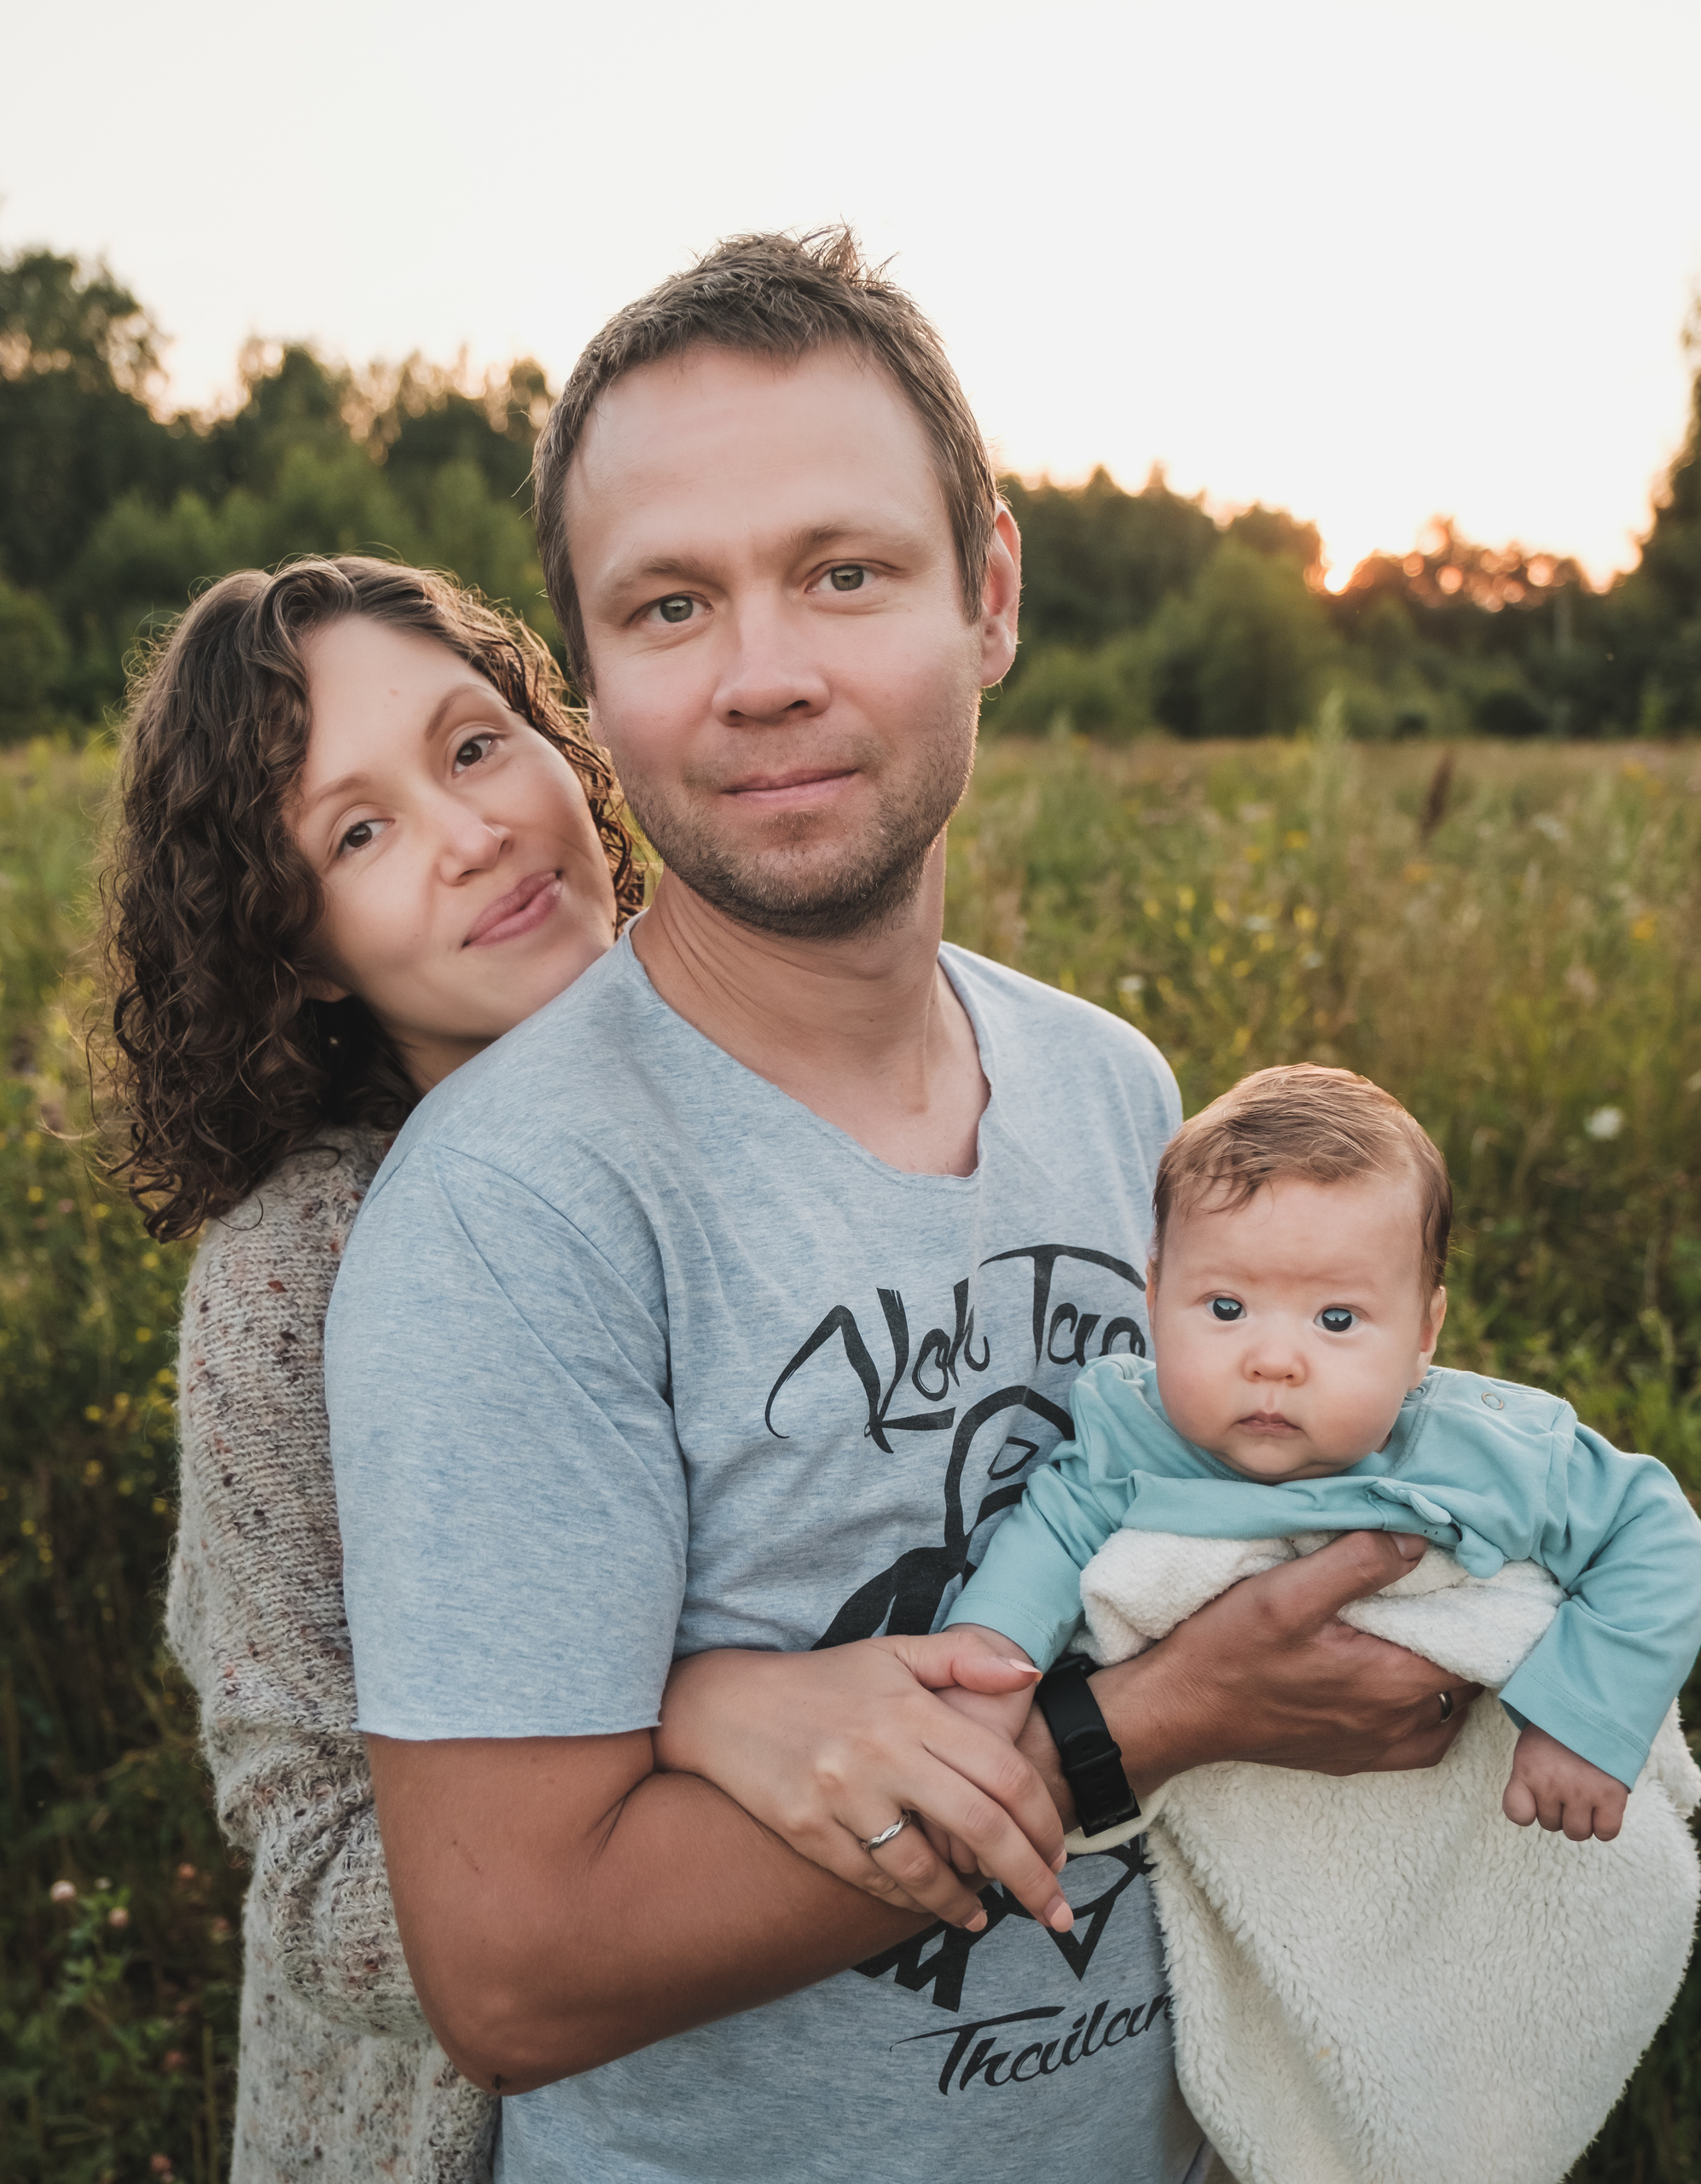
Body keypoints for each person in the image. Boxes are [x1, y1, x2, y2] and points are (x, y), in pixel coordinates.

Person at [325, 231, 1477, 2184]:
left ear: (989, 593)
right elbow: (512, 1969)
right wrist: (1154, 1720)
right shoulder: (518, 1208)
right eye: (671, 603)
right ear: (591, 671)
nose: (764, 673)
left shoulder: (1112, 1088)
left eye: (842, 572)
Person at [98, 557, 642, 2182]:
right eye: (359, 833)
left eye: (474, 746)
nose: (469, 833)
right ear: (305, 949)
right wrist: (714, 1750)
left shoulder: (811, 1089)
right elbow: (323, 1875)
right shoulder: (298, 1277)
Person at [943, 1063, 1701, 1842]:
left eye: (1336, 1319)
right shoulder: (1130, 1434)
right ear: (1157, 1298)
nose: (1274, 1361)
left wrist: (1582, 1717)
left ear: (1423, 1335)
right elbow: (1044, 1546)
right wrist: (984, 1668)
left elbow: (1649, 1528)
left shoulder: (1483, 1449)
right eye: (1227, 1307)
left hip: (1435, 1824)